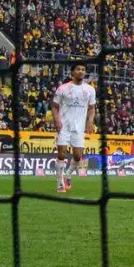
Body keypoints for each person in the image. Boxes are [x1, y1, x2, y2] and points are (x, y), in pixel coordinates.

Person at [51, 64, 96, 194]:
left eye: (83, 69)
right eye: (78, 69)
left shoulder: (90, 90)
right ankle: (60, 182)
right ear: (72, 72)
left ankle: (68, 175)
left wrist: (90, 121)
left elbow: (92, 108)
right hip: (64, 126)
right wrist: (57, 120)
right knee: (62, 154)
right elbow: (54, 106)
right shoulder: (63, 88)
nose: (81, 71)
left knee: (78, 156)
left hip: (79, 127)